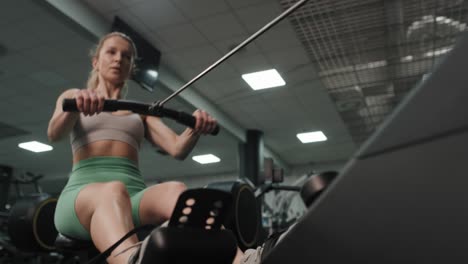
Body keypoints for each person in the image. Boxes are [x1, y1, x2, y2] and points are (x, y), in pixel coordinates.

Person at [47, 32, 217, 264]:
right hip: (81, 198)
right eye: (111, 52)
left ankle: (242, 259)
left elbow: (177, 148)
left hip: (133, 199)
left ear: (131, 68)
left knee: (178, 191)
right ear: (95, 62)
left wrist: (195, 128)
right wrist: (76, 108)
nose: (119, 59)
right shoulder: (74, 97)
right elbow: (54, 133)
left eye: (126, 56)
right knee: (113, 190)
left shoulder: (140, 114)